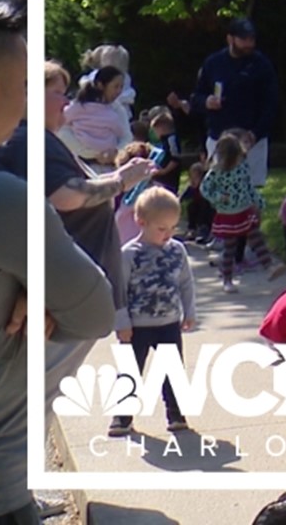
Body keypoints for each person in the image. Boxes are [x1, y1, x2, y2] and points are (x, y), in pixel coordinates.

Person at [0, 0, 123, 525]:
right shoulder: (5, 204)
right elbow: (95, 313)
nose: (28, 102)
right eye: (23, 86)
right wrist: (38, 278)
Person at [36, 60, 152, 329]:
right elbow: (65, 195)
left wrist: (119, 170)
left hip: (72, 288)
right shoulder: (34, 140)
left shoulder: (45, 139)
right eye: (57, 92)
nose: (65, 100)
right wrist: (120, 180)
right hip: (64, 293)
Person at [111, 186, 196, 438]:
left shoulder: (176, 250)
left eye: (173, 228)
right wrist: (121, 321)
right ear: (141, 221)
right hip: (136, 326)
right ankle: (122, 416)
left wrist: (189, 311)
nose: (168, 234)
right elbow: (118, 290)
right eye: (161, 229)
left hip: (169, 322)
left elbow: (185, 282)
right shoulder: (128, 255)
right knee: (130, 369)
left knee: (173, 370)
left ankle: (176, 414)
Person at [182, 17, 281, 187]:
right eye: (243, 39)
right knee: (219, 188)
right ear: (230, 39)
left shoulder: (262, 65)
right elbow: (196, 97)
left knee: (252, 189)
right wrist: (207, 102)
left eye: (251, 39)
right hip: (219, 138)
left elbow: (271, 104)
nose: (248, 44)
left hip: (252, 141)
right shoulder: (213, 63)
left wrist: (255, 133)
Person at [199, 134, 283, 289]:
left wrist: (258, 202)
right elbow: (204, 188)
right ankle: (227, 279)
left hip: (245, 211)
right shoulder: (216, 171)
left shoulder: (243, 167)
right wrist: (218, 197)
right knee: (230, 247)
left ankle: (269, 267)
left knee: (256, 238)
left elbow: (248, 187)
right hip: (228, 214)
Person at [59, 64, 131, 164]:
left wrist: (114, 152)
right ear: (100, 85)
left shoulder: (117, 110)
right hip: (80, 161)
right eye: (115, 86)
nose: (119, 91)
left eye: (121, 87)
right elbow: (61, 128)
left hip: (110, 161)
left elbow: (126, 136)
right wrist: (90, 153)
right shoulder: (79, 105)